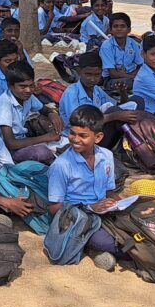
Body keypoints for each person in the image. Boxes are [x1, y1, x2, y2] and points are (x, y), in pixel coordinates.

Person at [47, 105, 122, 271]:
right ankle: (89, 247)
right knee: (110, 242)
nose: (75, 139)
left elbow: (109, 190)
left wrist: (120, 203)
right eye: (72, 133)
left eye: (83, 135)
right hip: (78, 217)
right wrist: (90, 207)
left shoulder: (106, 156)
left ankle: (88, 244)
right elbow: (54, 209)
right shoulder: (62, 165)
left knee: (138, 227)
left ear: (98, 137)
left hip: (104, 211)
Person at [0, 61, 63, 164]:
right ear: (10, 85)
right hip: (6, 149)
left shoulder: (27, 97)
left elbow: (43, 109)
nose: (28, 90)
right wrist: (45, 137)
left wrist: (52, 113)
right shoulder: (4, 104)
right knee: (42, 153)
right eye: (22, 86)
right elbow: (10, 143)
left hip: (23, 140)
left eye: (31, 86)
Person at [98, 12, 142, 88]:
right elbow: (112, 73)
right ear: (111, 30)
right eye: (115, 26)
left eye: (122, 26)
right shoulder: (106, 46)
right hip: (111, 79)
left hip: (131, 75)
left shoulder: (133, 44)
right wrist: (132, 77)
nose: (119, 29)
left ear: (129, 30)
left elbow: (141, 65)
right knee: (125, 83)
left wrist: (133, 75)